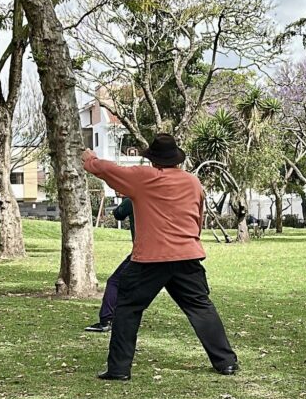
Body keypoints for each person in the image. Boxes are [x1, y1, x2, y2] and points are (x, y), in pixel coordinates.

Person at [82, 133, 239, 380]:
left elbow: (108, 169)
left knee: (128, 308)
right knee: (201, 307)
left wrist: (90, 158)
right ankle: (226, 362)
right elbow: (197, 218)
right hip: (187, 255)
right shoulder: (193, 182)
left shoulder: (144, 178)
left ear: (153, 160)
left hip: (150, 260)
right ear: (176, 159)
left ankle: (119, 369)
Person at [85, 196, 135, 333]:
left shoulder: (135, 197)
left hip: (142, 254)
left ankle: (106, 320)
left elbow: (118, 214)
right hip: (175, 253)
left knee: (115, 282)